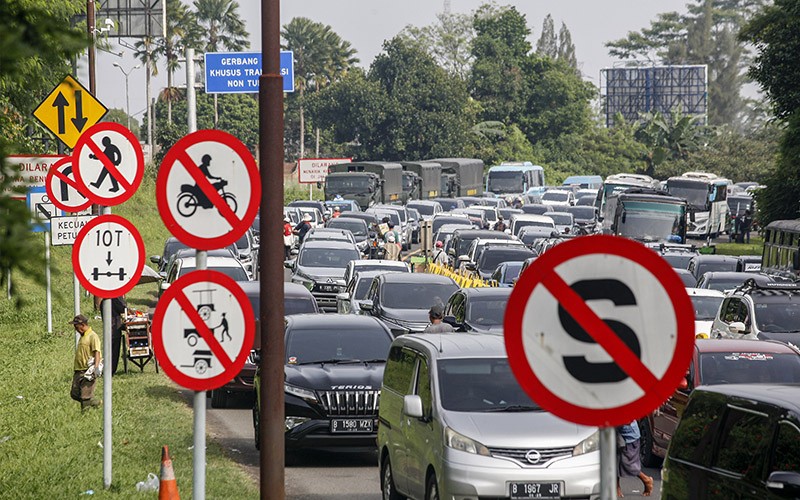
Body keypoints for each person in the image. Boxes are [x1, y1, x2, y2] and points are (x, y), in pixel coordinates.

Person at [70, 314, 102, 412]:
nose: (75, 329)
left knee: (85, 396)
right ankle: (95, 402)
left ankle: (85, 415)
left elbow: (97, 352)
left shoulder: (93, 336)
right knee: (74, 394)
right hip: (78, 370)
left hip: (88, 371)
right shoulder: (83, 336)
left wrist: (96, 367)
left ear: (83, 325)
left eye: (76, 326)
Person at [617, 420, 654, 497]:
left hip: (629, 437)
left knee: (629, 464)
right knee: (613, 462)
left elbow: (628, 420)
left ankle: (646, 480)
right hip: (617, 436)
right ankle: (616, 487)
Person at [104, 296, 127, 375]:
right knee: (114, 351)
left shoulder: (105, 301)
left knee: (110, 351)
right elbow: (122, 308)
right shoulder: (115, 298)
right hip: (114, 328)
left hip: (109, 328)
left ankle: (110, 370)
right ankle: (111, 370)